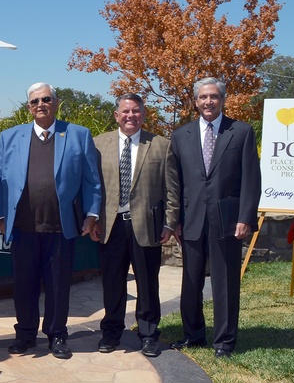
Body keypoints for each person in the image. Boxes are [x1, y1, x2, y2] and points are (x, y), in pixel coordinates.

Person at [0, 82, 101, 360]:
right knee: (24, 285)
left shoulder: (78, 135)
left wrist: (92, 213)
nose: (41, 104)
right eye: (34, 101)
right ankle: (25, 335)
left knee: (58, 285)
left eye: (46, 99)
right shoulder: (10, 137)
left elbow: (92, 180)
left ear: (56, 101)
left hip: (60, 226)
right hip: (22, 227)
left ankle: (57, 335)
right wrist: (1, 216)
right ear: (29, 106)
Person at [169, 77, 261, 358]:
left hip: (228, 220)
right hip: (192, 218)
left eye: (214, 97)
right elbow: (174, 181)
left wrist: (245, 216)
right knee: (191, 280)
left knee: (225, 282)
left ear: (222, 99)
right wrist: (174, 220)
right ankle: (193, 334)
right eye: (203, 97)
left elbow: (251, 179)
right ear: (195, 101)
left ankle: (224, 341)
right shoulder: (180, 135)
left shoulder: (241, 132)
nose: (208, 102)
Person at [89, 93, 179, 358]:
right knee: (112, 282)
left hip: (147, 225)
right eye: (125, 112)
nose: (131, 116)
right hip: (110, 225)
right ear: (116, 115)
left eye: (136, 111)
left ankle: (149, 333)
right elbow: (93, 187)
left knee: (148, 282)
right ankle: (111, 331)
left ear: (144, 114)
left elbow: (171, 189)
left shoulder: (162, 145)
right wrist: (92, 218)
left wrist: (170, 223)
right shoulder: (97, 145)